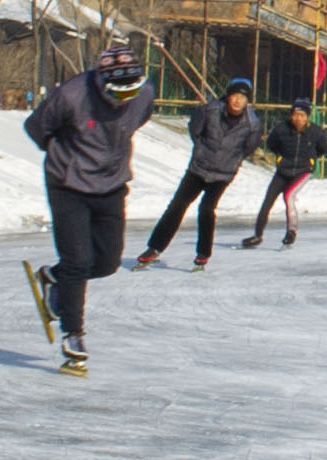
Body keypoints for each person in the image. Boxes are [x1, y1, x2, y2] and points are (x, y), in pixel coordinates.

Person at [23, 42, 156, 371]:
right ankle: (73, 334)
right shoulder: (71, 95)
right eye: (117, 93)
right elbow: (36, 127)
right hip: (68, 185)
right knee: (78, 260)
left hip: (111, 185)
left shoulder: (144, 94)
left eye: (131, 92)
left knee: (108, 262)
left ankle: (54, 277)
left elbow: (135, 122)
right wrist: (66, 156)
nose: (124, 100)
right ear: (101, 81)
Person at [138, 77, 262, 269]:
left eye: (242, 98)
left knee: (206, 209)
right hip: (199, 168)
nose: (238, 101)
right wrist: (202, 151)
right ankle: (155, 248)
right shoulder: (210, 110)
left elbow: (249, 148)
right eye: (234, 96)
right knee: (178, 204)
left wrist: (232, 160)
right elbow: (195, 130)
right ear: (227, 96)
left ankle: (203, 253)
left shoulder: (252, 123)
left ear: (247, 101)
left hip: (223, 173)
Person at [243, 99, 327, 246]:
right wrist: (281, 158)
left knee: (289, 196)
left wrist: (310, 160)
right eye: (295, 115)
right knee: (268, 200)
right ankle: (257, 235)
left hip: (303, 171)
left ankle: (291, 232)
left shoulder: (316, 132)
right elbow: (272, 144)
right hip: (283, 171)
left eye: (302, 115)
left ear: (307, 117)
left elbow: (323, 148)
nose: (298, 119)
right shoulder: (281, 129)